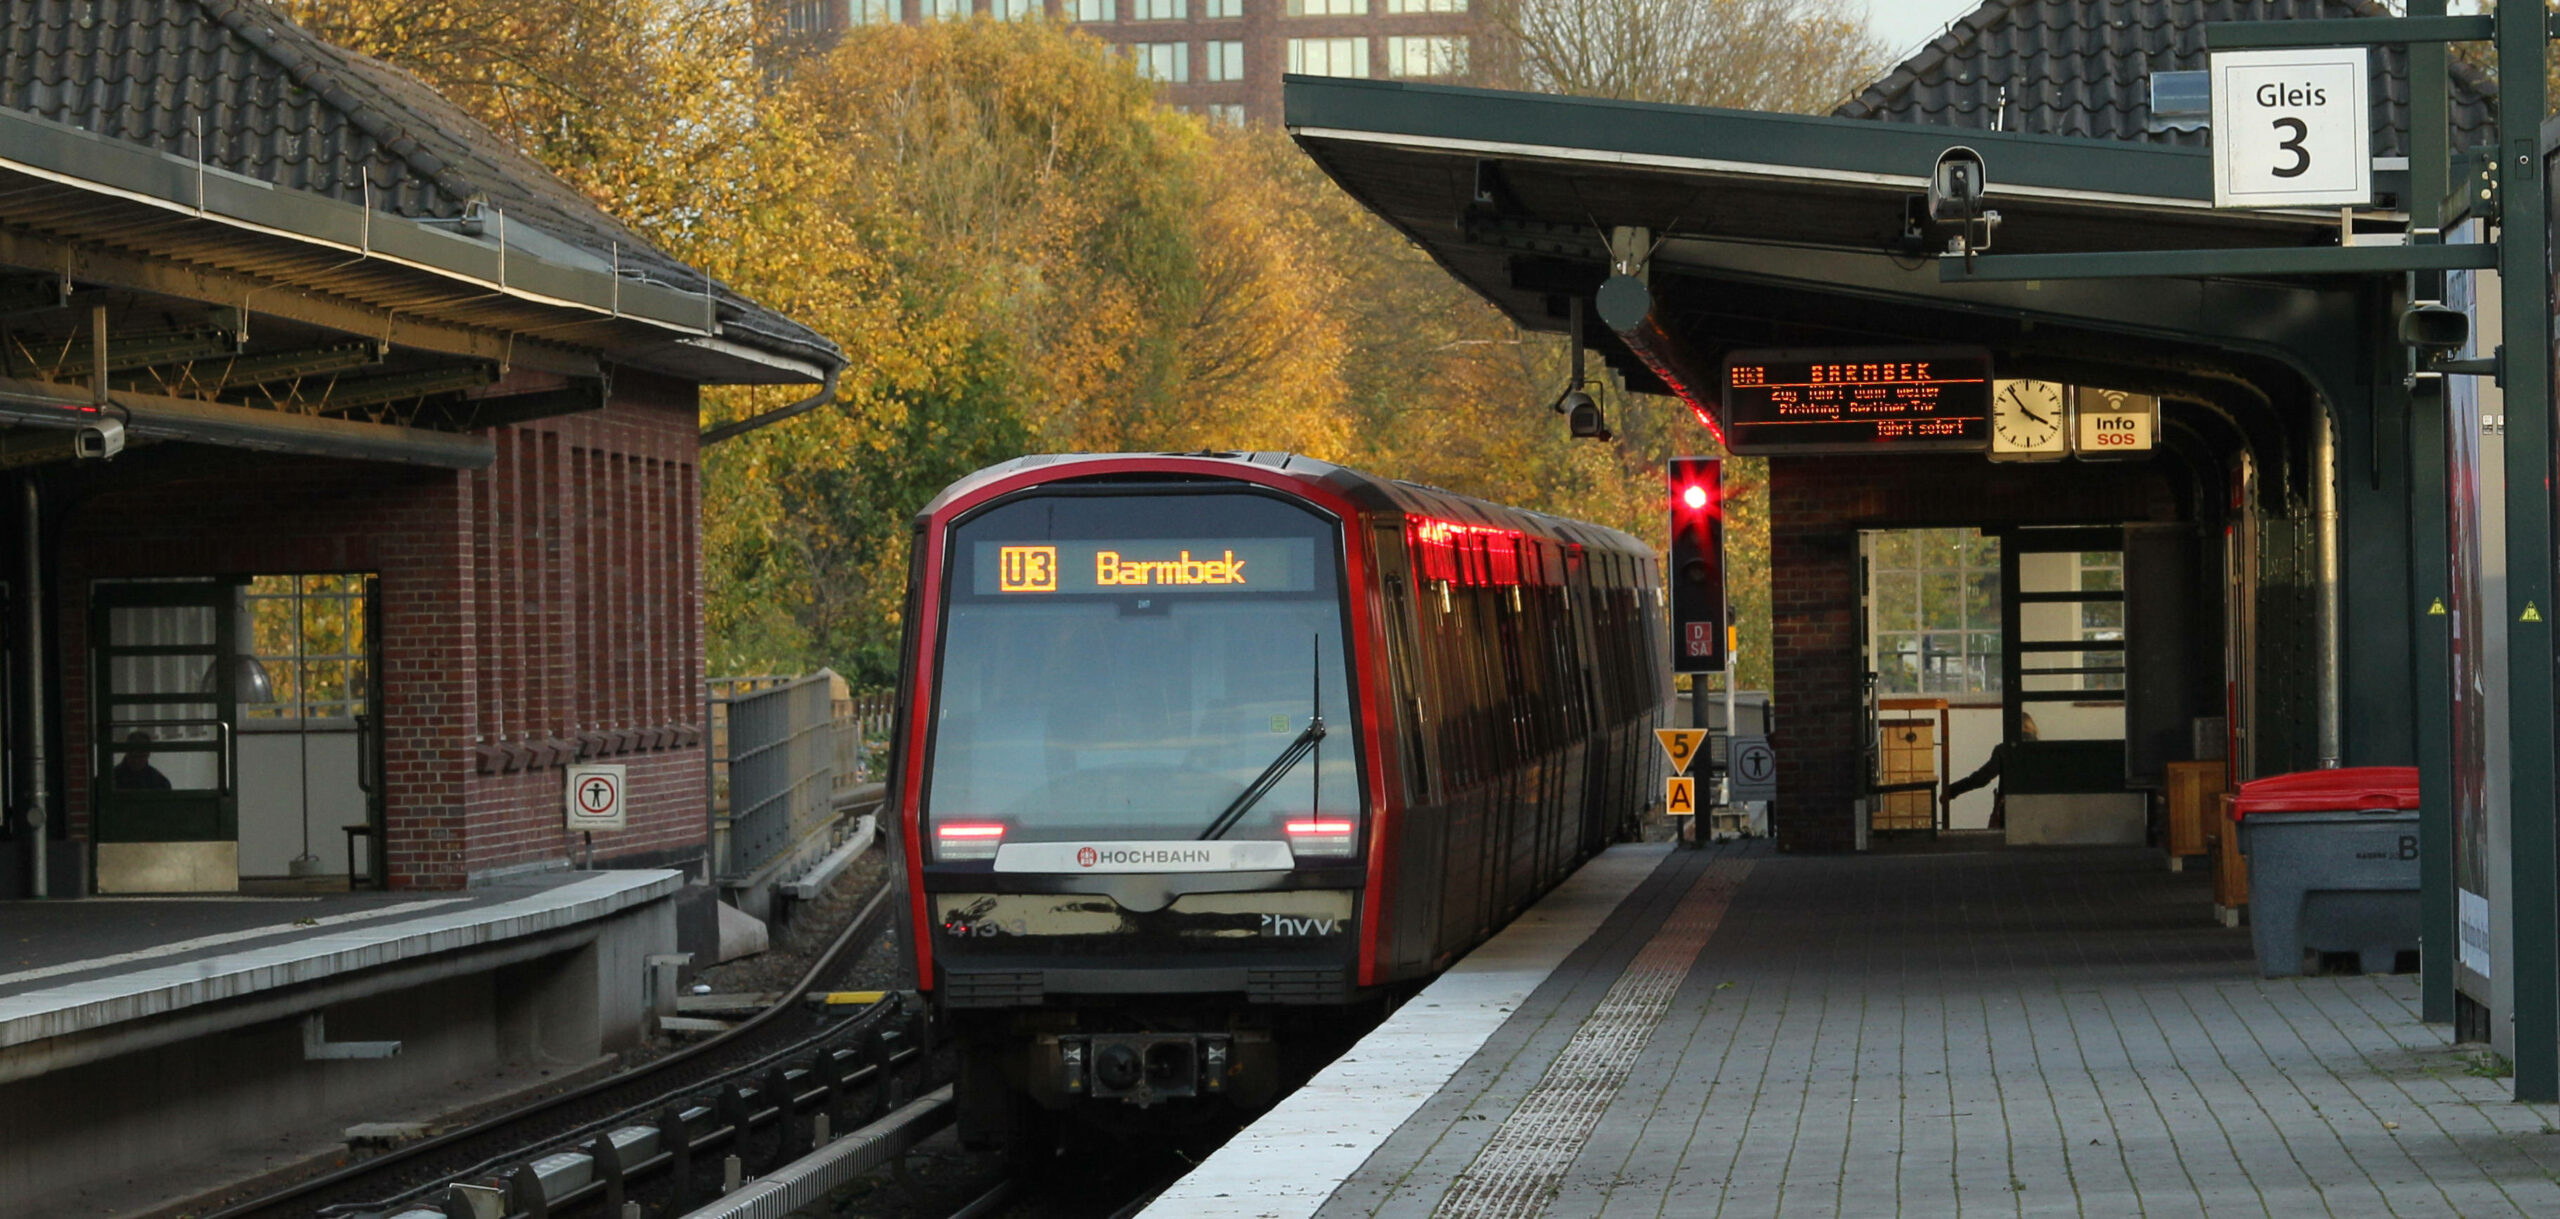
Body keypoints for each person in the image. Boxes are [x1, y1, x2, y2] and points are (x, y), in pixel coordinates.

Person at [1943, 713, 2037, 830]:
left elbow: (1982, 778)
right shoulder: (2042, 750)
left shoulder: (2003, 750)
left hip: (2010, 810)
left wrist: (1952, 790)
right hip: (2038, 808)